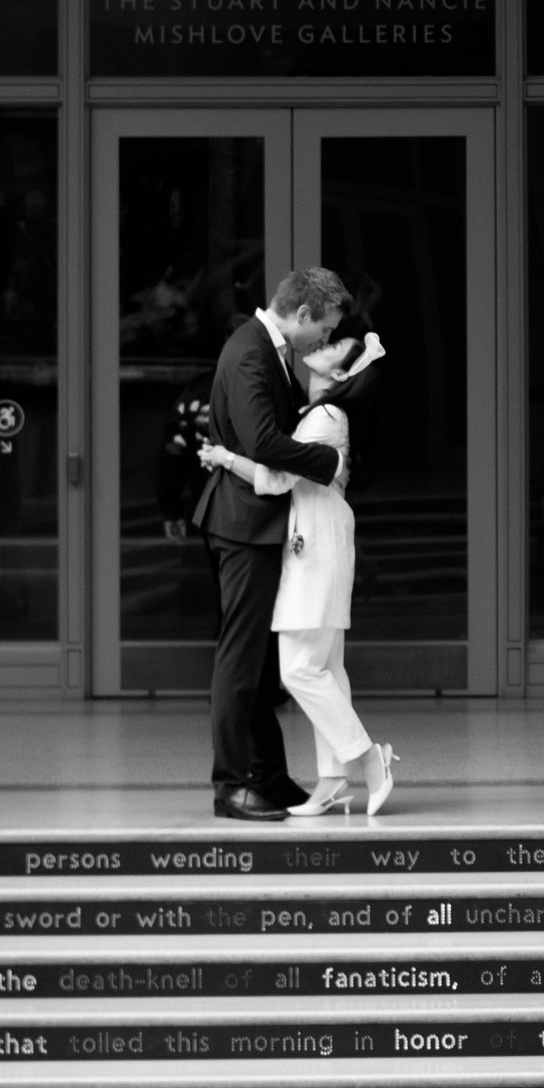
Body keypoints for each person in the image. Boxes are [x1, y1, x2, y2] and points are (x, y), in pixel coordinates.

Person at [200, 327, 396, 818]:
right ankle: (332, 780)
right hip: (322, 543)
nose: (323, 343)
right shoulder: (323, 414)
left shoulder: (325, 417)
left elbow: (273, 478)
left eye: (333, 345)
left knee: (299, 668)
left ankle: (368, 758)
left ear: (338, 373)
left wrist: (224, 456)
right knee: (326, 666)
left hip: (315, 549)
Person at [193, 265, 350, 821]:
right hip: (242, 523)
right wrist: (329, 461)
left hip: (253, 521)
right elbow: (261, 439)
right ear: (303, 314)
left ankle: (267, 775)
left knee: (257, 665)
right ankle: (231, 785)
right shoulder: (252, 350)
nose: (325, 341)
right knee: (240, 660)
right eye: (325, 329)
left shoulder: (264, 347)